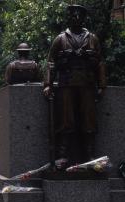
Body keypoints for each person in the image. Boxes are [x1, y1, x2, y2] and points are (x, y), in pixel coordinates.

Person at [43, 4, 106, 168]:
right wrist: (48, 84)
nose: (76, 18)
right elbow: (50, 62)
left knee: (89, 120)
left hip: (87, 83)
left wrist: (102, 85)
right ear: (68, 18)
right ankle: (63, 155)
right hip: (66, 84)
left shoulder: (92, 38)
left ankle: (90, 155)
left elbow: (100, 63)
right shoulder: (60, 39)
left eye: (79, 15)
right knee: (66, 119)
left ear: (83, 18)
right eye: (73, 15)